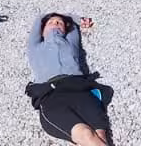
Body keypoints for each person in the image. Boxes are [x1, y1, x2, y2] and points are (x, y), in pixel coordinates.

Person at [27, 13, 111, 146]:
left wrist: (80, 20)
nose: (55, 24)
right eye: (51, 23)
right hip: (52, 94)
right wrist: (50, 16)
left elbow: (72, 22)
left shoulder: (71, 42)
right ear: (42, 31)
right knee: (86, 134)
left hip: (79, 89)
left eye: (59, 23)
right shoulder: (35, 47)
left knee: (100, 136)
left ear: (66, 29)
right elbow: (38, 19)